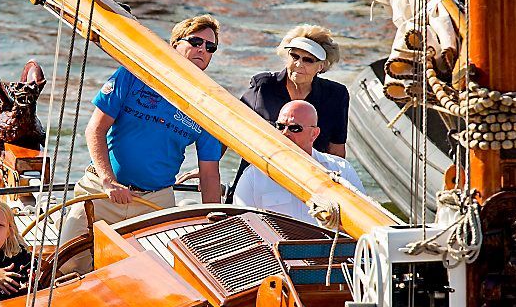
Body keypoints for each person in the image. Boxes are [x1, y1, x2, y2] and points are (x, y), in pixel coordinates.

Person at [58, 14, 224, 273]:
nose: (202, 49)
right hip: (101, 191)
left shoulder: (210, 104)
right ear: (174, 44)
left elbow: (209, 173)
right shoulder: (132, 75)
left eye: (210, 47)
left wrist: (213, 223)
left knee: (148, 280)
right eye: (195, 41)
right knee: (65, 266)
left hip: (155, 202)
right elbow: (95, 129)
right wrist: (108, 181)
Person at [228, 24, 349, 201]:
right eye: (294, 56)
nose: (299, 64)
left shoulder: (336, 95)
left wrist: (336, 195)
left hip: (309, 185)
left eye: (308, 60)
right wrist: (209, 167)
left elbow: (336, 149)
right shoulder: (263, 86)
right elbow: (229, 123)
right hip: (258, 181)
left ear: (321, 66)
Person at [232, 100, 364, 224]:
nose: (285, 133)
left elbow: (362, 217)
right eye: (280, 126)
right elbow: (243, 226)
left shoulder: (342, 170)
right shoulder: (255, 175)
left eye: (295, 128)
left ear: (314, 134)